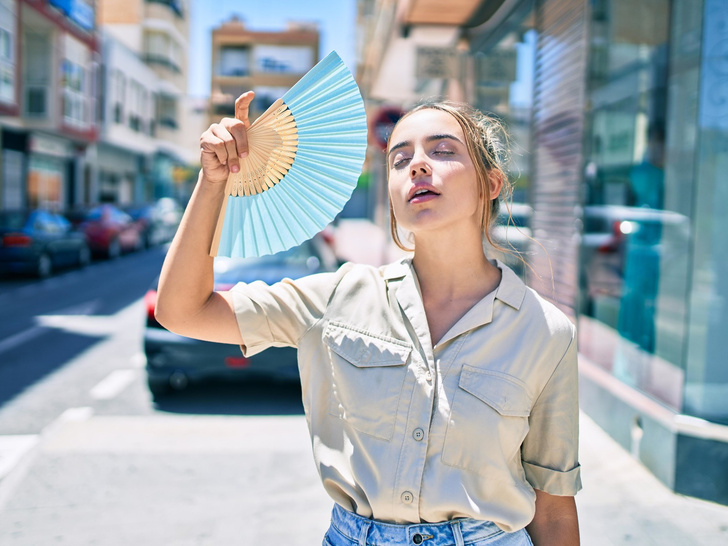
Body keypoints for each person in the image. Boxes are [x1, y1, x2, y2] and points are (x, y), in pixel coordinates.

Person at [155, 91, 581, 546]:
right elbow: (182, 310)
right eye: (400, 159)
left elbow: (552, 506)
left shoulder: (545, 332)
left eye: (442, 151)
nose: (417, 165)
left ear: (491, 184)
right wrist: (212, 183)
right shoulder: (337, 296)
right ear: (393, 194)